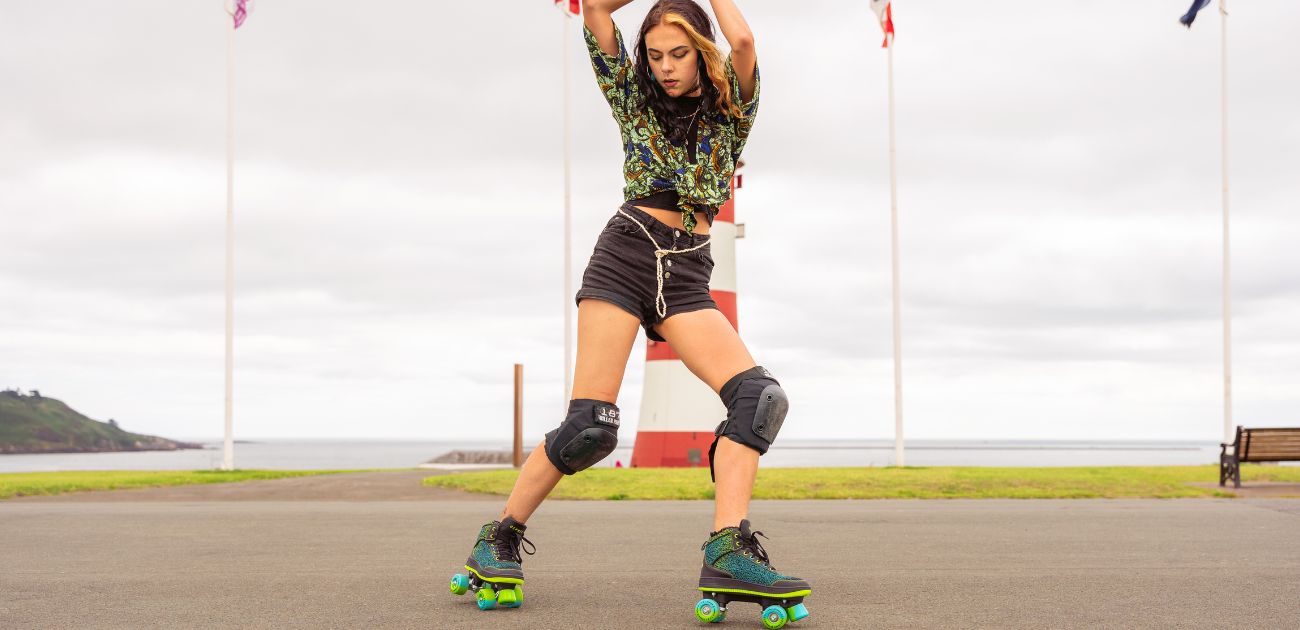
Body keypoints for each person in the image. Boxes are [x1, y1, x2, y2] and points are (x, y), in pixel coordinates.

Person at [449, 1, 810, 624]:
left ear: (702, 50)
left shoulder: (732, 111)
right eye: (655, 54)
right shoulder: (630, 94)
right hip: (626, 255)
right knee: (591, 427)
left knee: (760, 400)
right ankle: (499, 534)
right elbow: (593, 8)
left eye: (679, 53)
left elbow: (745, 40)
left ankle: (728, 547)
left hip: (690, 272)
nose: (665, 67)